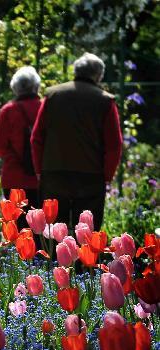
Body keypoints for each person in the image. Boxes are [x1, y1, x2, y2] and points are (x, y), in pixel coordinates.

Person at [31, 52, 123, 231]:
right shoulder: (105, 101)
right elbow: (114, 145)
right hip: (90, 175)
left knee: (53, 231)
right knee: (86, 234)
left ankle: (52, 260)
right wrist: (107, 176)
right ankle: (83, 260)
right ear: (98, 75)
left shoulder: (52, 95)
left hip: (54, 172)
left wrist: (39, 171)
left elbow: (37, 137)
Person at [0, 66, 43, 213]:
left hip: (14, 178)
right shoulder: (45, 108)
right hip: (41, 178)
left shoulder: (8, 110)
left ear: (15, 88)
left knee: (17, 229)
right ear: (36, 87)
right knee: (40, 229)